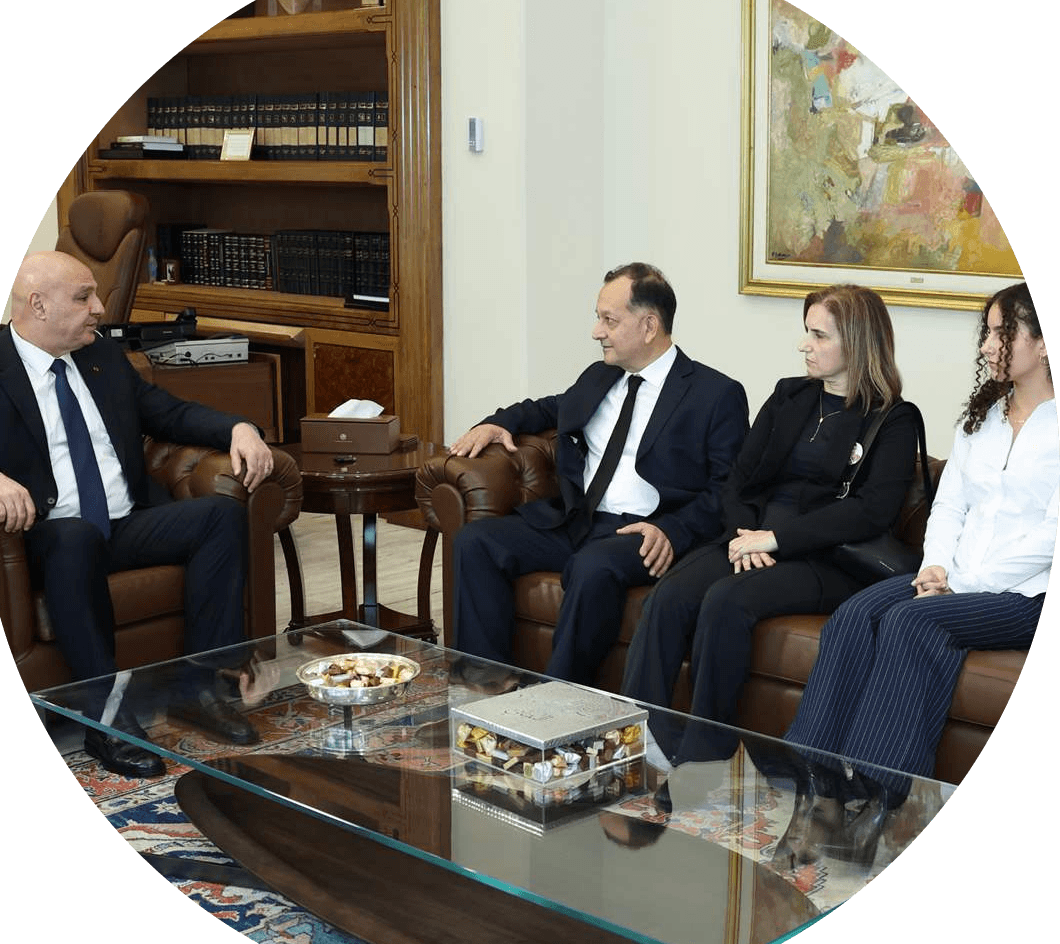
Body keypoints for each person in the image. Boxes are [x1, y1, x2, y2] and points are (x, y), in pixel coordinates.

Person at [0, 251, 276, 778]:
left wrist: (239, 428)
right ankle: (107, 718)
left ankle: (201, 688)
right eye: (83, 297)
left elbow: (170, 412)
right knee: (74, 538)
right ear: (38, 305)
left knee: (218, 515)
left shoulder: (102, 357)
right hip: (46, 537)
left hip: (122, 523)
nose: (99, 308)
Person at [780, 281, 1055, 834]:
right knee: (856, 613)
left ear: (1044, 343)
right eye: (987, 333)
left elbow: (1049, 537)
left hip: (1026, 594)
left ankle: (878, 797)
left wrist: (961, 583)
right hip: (954, 576)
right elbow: (948, 504)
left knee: (911, 622)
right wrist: (935, 567)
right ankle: (812, 777)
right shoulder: (984, 417)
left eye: (1001, 333)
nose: (987, 346)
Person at [620, 283, 920, 763]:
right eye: (807, 332)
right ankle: (640, 740)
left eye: (819, 336)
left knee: (725, 601)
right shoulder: (789, 396)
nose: (805, 345)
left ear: (857, 342)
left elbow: (870, 511)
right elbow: (739, 479)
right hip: (752, 538)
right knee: (669, 596)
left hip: (824, 558)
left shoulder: (893, 419)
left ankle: (703, 757)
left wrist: (776, 540)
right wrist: (746, 536)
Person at [448, 262, 749, 684]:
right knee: (476, 542)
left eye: (609, 320)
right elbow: (550, 408)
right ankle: (484, 683)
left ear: (649, 325)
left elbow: (728, 489)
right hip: (579, 520)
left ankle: (559, 699)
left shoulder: (715, 394)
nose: (596, 332)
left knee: (592, 568)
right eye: (598, 318)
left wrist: (673, 531)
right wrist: (497, 423)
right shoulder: (601, 376)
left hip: (643, 532)